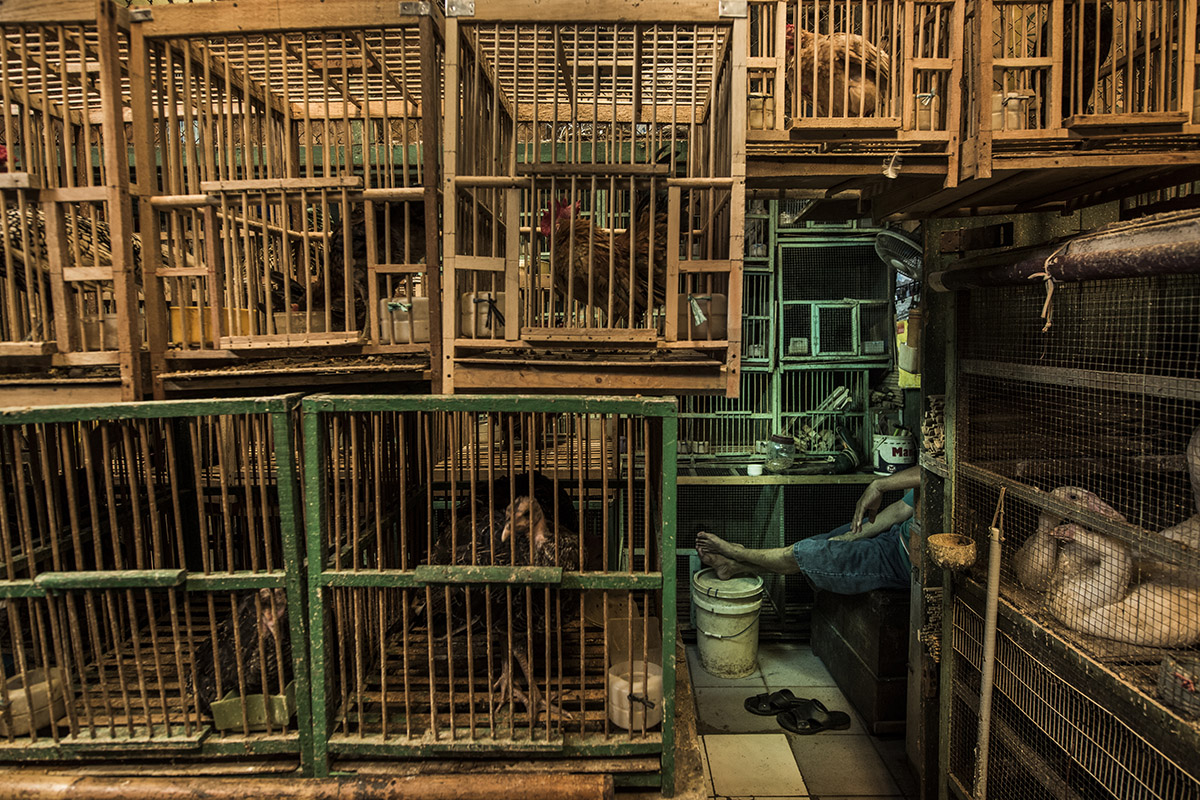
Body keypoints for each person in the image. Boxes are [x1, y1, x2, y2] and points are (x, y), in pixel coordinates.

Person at [696, 465, 922, 594]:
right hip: (893, 537)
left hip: (899, 561)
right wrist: (849, 536)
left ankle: (737, 553)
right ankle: (732, 567)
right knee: (820, 543)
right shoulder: (928, 477)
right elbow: (900, 510)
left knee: (808, 553)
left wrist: (879, 484)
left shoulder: (939, 475)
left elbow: (927, 473)